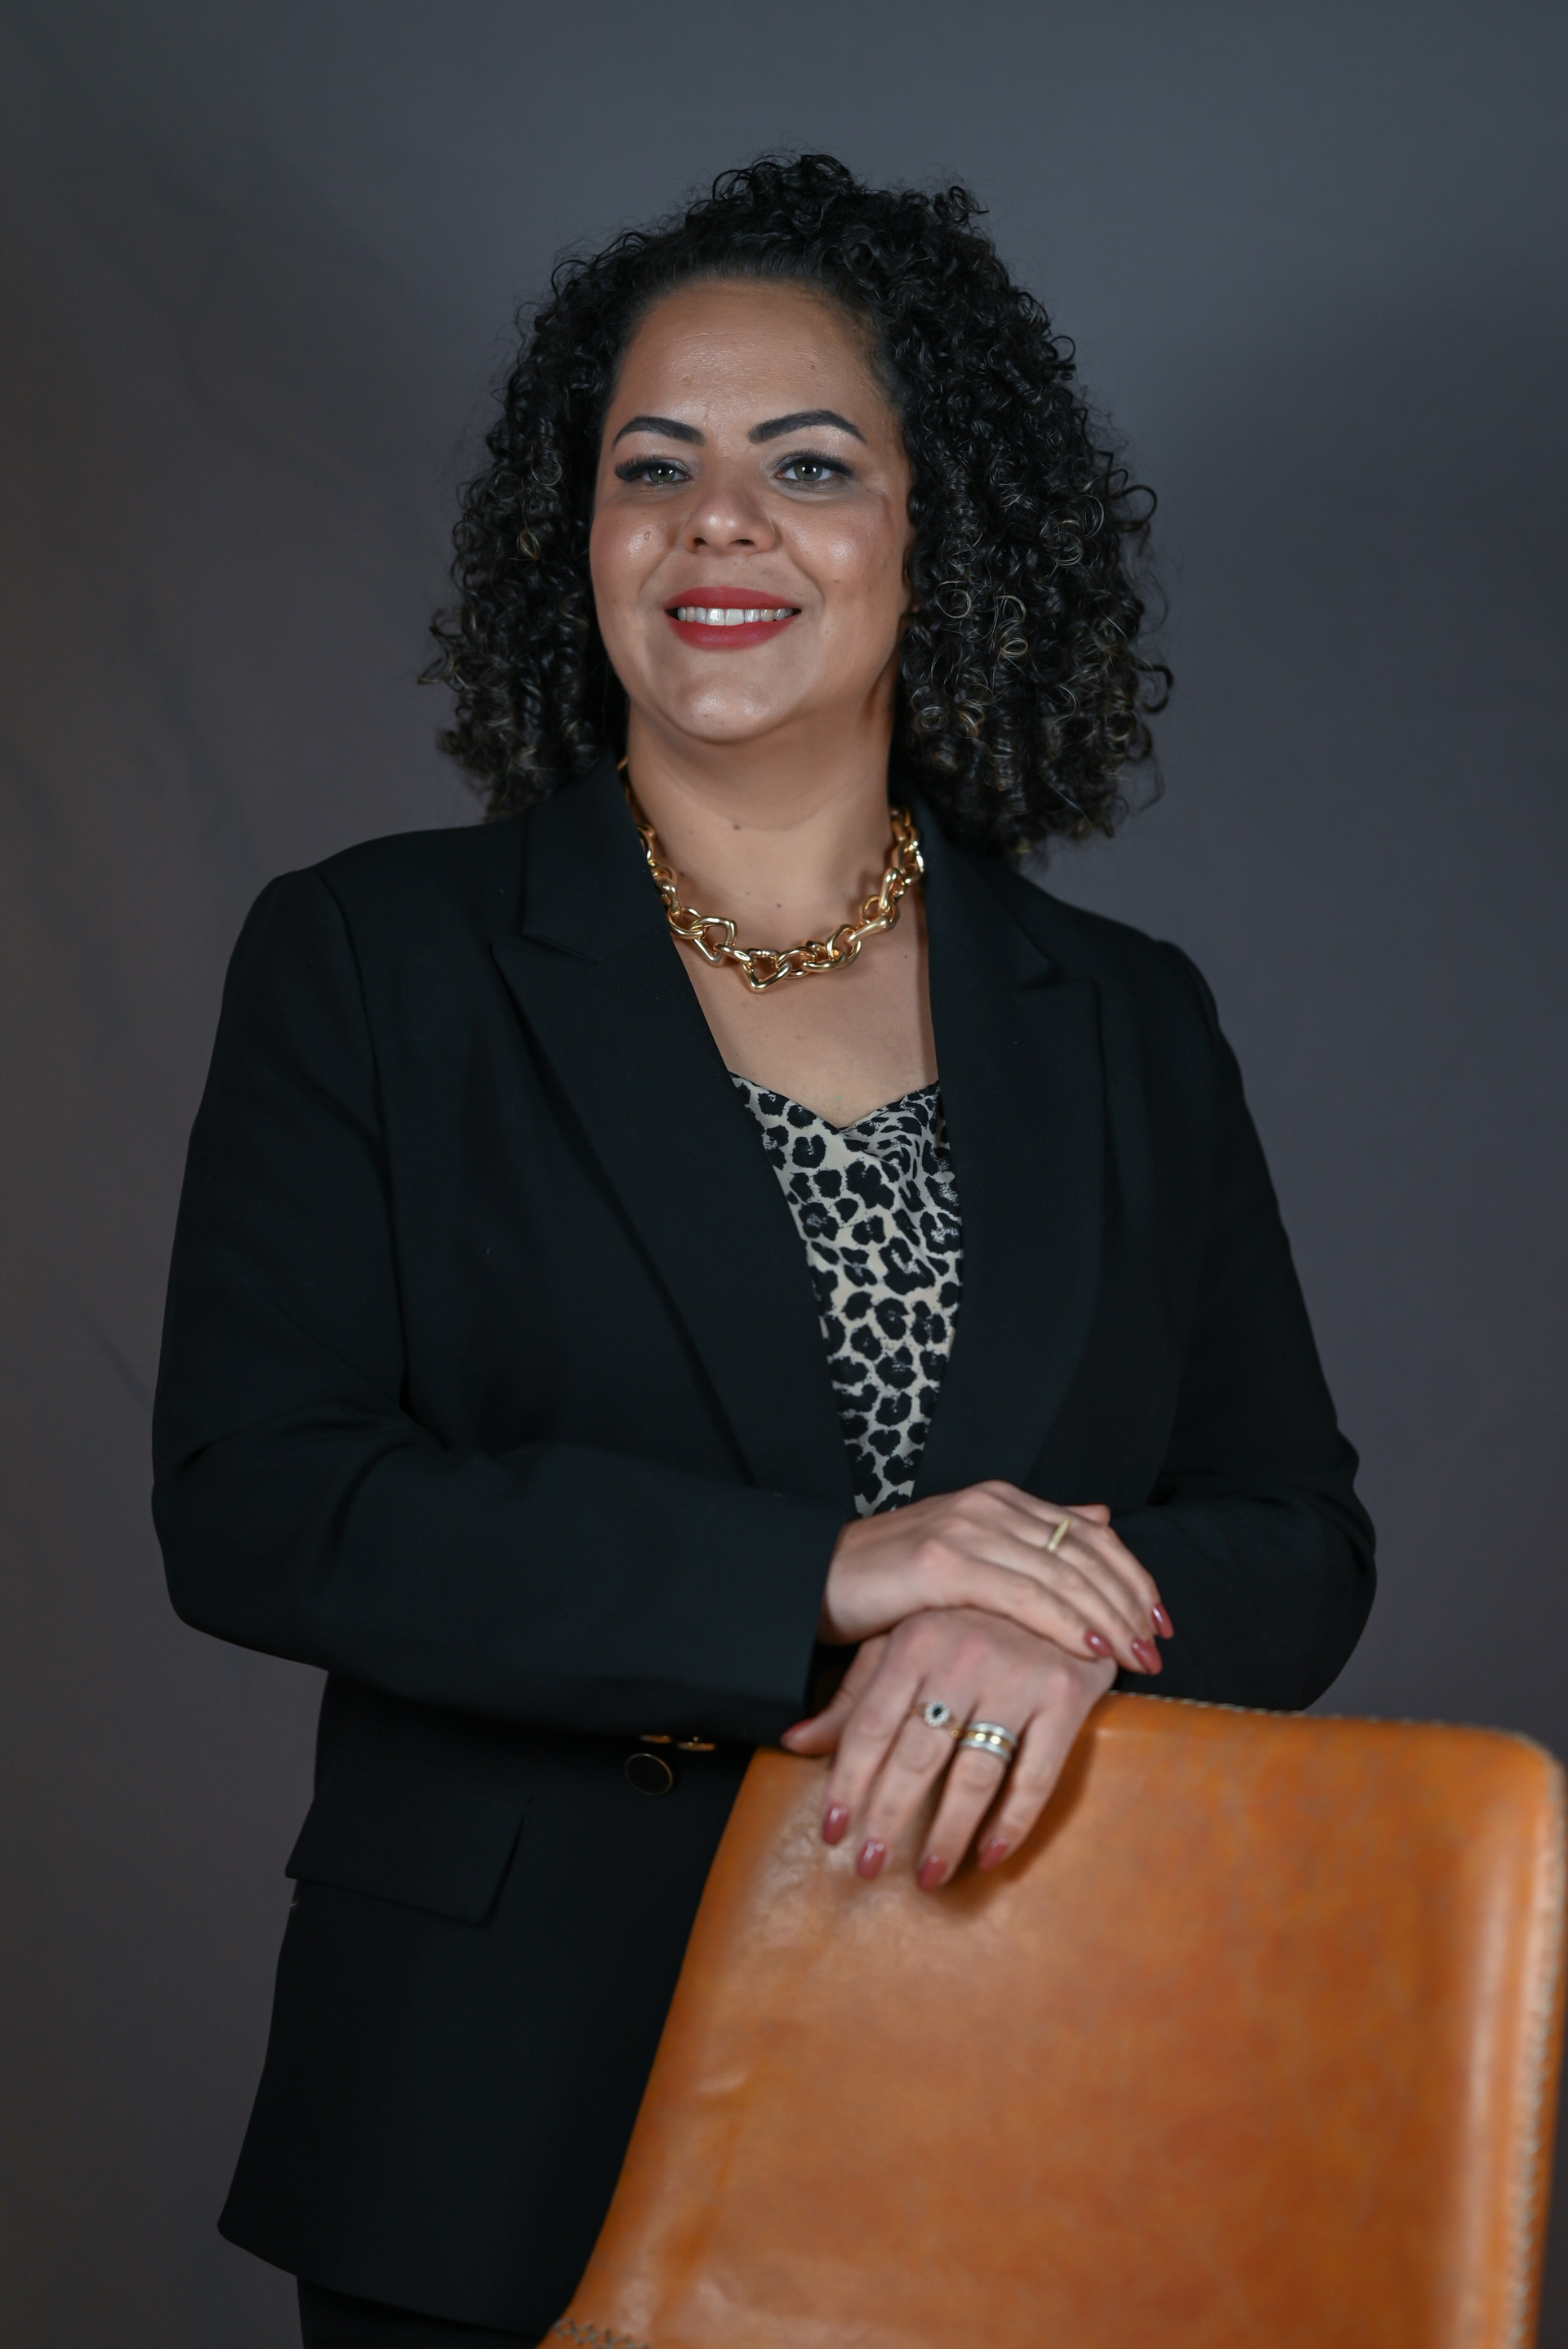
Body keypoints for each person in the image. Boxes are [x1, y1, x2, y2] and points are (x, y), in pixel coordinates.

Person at [153, 154, 1374, 2347]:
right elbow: (260, 1504)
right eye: (655, 467)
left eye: (809, 465)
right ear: (581, 540)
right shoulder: (368, 957)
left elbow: (1296, 1531)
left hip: (1020, 2058)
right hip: (497, 2108)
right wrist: (829, 1569)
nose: (720, 521)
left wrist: (1053, 1624)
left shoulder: (1124, 1019)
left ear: (936, 535)